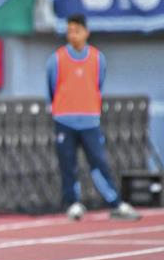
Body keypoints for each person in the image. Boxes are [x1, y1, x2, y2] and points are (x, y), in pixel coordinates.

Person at [46, 14, 140, 221]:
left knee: (99, 162)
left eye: (77, 31)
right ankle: (73, 203)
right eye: (69, 31)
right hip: (64, 121)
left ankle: (115, 202)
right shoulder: (56, 59)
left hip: (89, 121)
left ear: (86, 32)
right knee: (68, 165)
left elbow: (98, 84)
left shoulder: (98, 59)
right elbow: (52, 88)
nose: (73, 35)